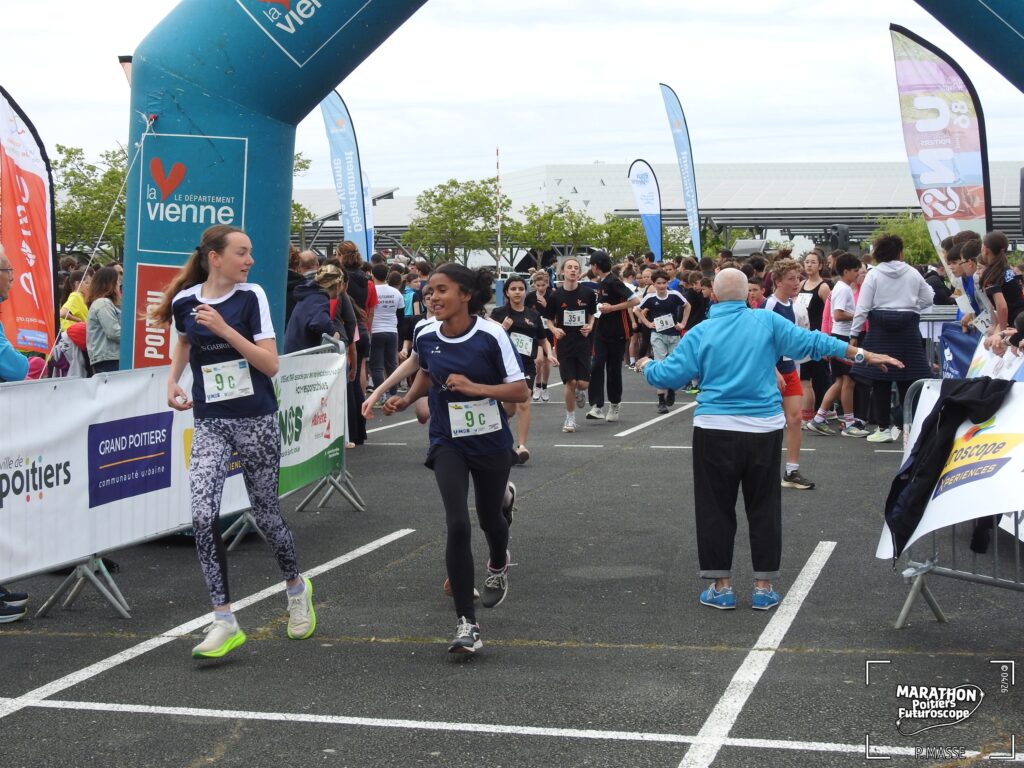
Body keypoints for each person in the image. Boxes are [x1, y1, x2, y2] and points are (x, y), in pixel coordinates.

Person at [638, 268, 901, 611]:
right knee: (764, 506)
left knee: (715, 507)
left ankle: (722, 586)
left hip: (714, 428)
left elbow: (669, 375)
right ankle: (763, 587)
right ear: (747, 296)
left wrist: (646, 365)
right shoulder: (766, 321)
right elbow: (815, 341)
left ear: (713, 295)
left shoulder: (701, 331)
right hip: (762, 429)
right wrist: (863, 354)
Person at [152, 224, 315, 659]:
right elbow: (184, 342)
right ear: (215, 258)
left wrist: (225, 330)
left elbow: (270, 364)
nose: (250, 260)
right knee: (202, 515)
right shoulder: (185, 301)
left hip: (255, 419)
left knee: (266, 514)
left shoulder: (252, 297)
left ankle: (296, 588)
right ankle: (223, 619)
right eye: (242, 252)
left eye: (250, 252)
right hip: (210, 422)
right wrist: (172, 380)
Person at [383, 263, 529, 654]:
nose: (432, 297)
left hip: (491, 441)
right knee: (458, 523)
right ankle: (467, 623)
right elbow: (427, 371)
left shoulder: (491, 334)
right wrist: (406, 399)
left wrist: (474, 387)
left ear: (466, 295)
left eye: (442, 290)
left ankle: (497, 563)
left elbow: (520, 391)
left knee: (490, 519)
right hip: (448, 440)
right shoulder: (425, 332)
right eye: (429, 291)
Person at [850, 234, 934, 443]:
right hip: (908, 330)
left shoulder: (874, 274)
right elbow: (929, 297)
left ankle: (883, 429)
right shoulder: (913, 272)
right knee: (908, 378)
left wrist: (854, 334)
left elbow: (863, 307)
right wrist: (913, 306)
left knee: (880, 380)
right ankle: (910, 428)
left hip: (879, 329)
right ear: (899, 252)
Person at [491, 275, 553, 463]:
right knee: (508, 410)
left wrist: (549, 354)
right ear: (506, 292)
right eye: (513, 289)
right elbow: (489, 339)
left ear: (526, 292)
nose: (517, 292)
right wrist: (503, 328)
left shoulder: (533, 315)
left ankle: (521, 446)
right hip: (503, 365)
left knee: (524, 401)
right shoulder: (498, 313)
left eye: (520, 289)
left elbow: (543, 340)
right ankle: (497, 437)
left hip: (525, 365)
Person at [764, 259, 814, 490]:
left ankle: (791, 471)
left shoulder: (793, 306)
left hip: (789, 368)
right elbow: (760, 341)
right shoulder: (769, 305)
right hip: (768, 371)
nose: (796, 283)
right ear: (778, 281)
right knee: (769, 422)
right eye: (791, 279)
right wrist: (772, 370)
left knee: (795, 419)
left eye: (798, 278)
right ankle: (762, 470)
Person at [807, 252, 869, 436]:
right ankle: (849, 423)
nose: (858, 274)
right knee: (848, 381)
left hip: (839, 337)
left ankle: (819, 418)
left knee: (841, 381)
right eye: (856, 270)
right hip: (842, 337)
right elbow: (838, 314)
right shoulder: (843, 289)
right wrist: (859, 314)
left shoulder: (841, 288)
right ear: (846, 271)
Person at [544, 257, 596, 433]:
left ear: (579, 272)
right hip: (565, 343)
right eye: (569, 267)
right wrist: (554, 330)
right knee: (570, 382)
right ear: (562, 271)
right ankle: (570, 418)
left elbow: (592, 314)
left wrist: (590, 326)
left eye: (576, 268)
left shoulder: (588, 294)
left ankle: (580, 392)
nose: (573, 270)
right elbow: (548, 319)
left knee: (582, 384)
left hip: (583, 342)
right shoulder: (555, 295)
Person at [587, 251, 638, 422]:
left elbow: (635, 301)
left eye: (591, 265)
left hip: (618, 332)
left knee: (613, 369)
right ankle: (597, 405)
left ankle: (614, 404)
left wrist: (612, 308)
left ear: (595, 266)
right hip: (601, 332)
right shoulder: (601, 282)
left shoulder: (614, 281)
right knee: (596, 365)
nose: (591, 268)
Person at [636, 269, 688, 413]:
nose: (661, 286)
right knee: (659, 363)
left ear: (668, 283)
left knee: (674, 363)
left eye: (664, 283)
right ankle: (661, 401)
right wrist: (648, 323)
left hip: (673, 335)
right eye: (658, 283)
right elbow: (637, 310)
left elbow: (687, 306)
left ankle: (671, 389)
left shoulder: (674, 295)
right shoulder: (650, 298)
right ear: (654, 284)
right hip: (657, 334)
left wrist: (683, 323)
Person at [795, 249, 832, 430]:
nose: (809, 265)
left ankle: (821, 413)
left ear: (820, 265)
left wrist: (827, 336)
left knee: (819, 377)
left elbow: (829, 313)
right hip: (803, 335)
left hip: (818, 336)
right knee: (805, 377)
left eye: (813, 262)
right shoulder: (802, 283)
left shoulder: (824, 287)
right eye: (807, 262)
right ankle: (808, 414)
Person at [284, 264, 348, 353]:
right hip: (301, 357)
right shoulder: (319, 299)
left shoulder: (310, 295)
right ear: (337, 286)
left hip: (293, 352)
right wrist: (334, 332)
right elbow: (320, 322)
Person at [369, 263, 404, 400]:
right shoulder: (396, 292)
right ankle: (393, 394)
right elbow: (400, 315)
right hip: (392, 331)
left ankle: (381, 396)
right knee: (391, 364)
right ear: (387, 275)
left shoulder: (371, 290)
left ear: (372, 275)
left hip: (375, 330)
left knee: (376, 366)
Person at [85, 266, 122, 375]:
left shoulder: (102, 303)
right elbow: (113, 332)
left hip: (106, 358)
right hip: (109, 358)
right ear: (110, 284)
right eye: (117, 282)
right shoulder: (103, 303)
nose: (119, 285)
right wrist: (134, 339)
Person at [525, 270, 555, 402]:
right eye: (538, 285)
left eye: (543, 285)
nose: (541, 288)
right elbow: (525, 312)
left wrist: (546, 305)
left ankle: (544, 386)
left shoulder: (552, 295)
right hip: (535, 331)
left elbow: (557, 314)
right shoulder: (530, 297)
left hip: (548, 331)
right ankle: (537, 386)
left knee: (547, 362)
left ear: (547, 284)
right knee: (538, 361)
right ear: (534, 285)